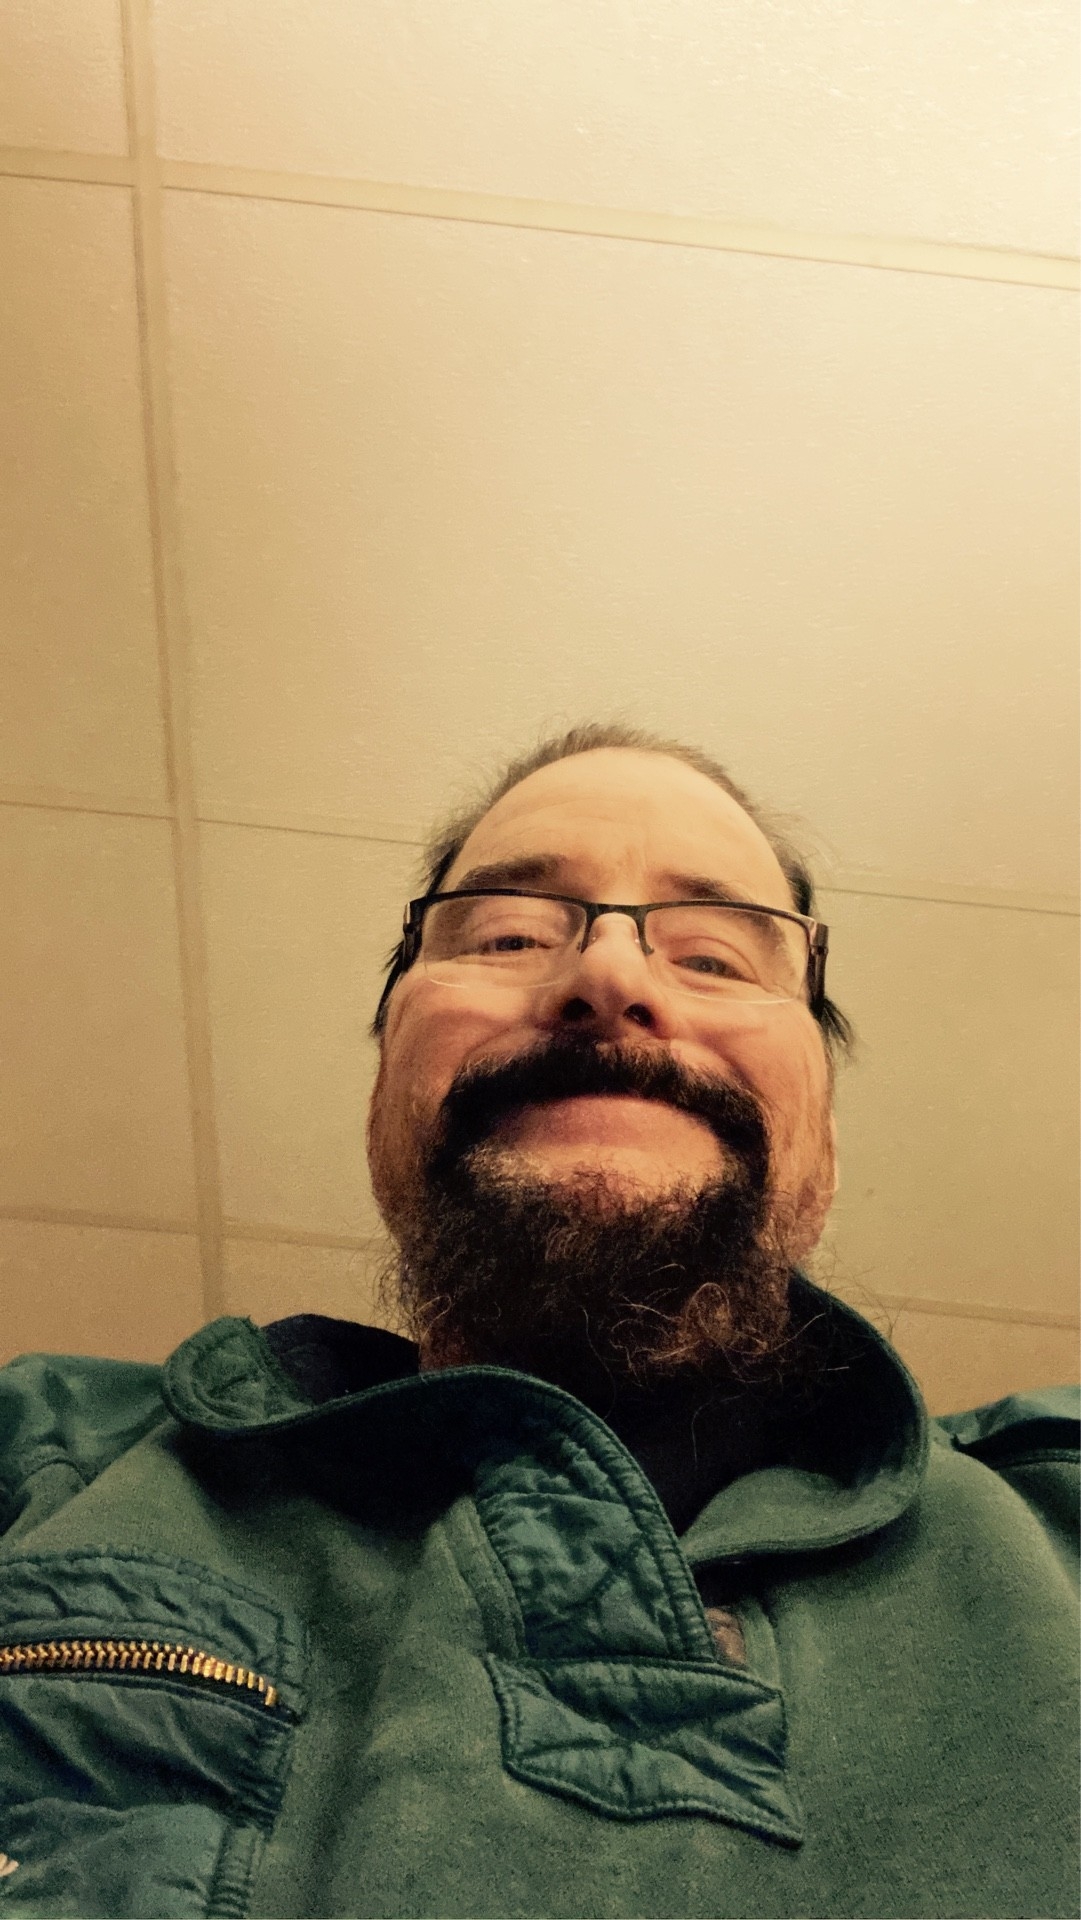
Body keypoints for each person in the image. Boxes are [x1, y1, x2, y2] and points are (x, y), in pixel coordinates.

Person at [0, 724, 1076, 1919]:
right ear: (385, 1096)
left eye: (714, 956)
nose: (609, 978)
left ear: (820, 1141)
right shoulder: (39, 1456)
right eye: (507, 936)